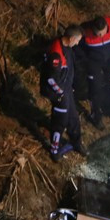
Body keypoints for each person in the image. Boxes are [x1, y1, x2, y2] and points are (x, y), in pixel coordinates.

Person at [39, 26, 85, 161]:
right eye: (77, 41)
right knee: (60, 121)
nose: (77, 43)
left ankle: (77, 143)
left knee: (74, 118)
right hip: (58, 93)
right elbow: (51, 79)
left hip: (66, 89)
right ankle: (54, 150)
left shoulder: (67, 48)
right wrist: (61, 94)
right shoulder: (56, 53)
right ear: (71, 39)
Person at [76, 15, 110, 129]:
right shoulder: (84, 31)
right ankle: (96, 116)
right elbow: (78, 49)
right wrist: (87, 62)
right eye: (97, 33)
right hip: (93, 62)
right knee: (95, 89)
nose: (100, 36)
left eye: (102, 33)